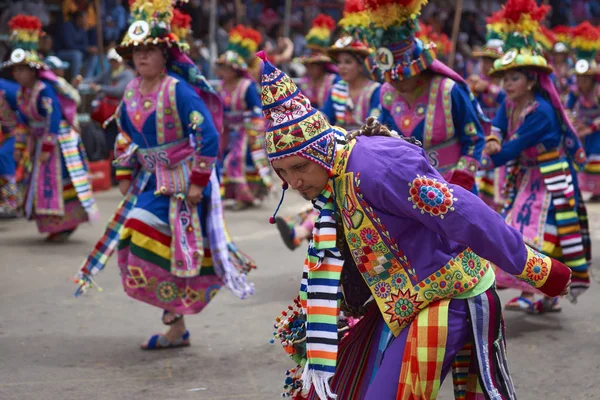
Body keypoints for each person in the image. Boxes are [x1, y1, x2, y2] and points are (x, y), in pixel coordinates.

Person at [257, 52, 576, 400]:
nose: (295, 182)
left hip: (450, 295)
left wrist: (539, 269)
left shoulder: (377, 170)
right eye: (284, 172)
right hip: (400, 305)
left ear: (319, 151)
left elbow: (465, 214)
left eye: (300, 167)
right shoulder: (333, 175)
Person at [74, 3, 254, 349]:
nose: (142, 57)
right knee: (140, 245)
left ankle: (176, 318)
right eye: (136, 51)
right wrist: (124, 170)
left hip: (185, 182)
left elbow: (208, 137)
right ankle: (176, 323)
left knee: (149, 236)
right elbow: (124, 134)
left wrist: (199, 182)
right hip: (152, 179)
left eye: (149, 50)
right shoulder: (130, 92)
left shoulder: (178, 91)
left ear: (164, 54)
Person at [481, 0, 590, 313]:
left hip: (550, 178)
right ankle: (539, 290)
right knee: (519, 228)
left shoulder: (541, 111)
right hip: (527, 175)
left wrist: (487, 155)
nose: (506, 85)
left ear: (530, 80)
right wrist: (491, 139)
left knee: (541, 234)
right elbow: (498, 127)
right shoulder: (511, 102)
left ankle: (545, 292)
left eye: (513, 79)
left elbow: (511, 149)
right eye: (504, 79)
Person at [276, 0, 381, 250]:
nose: (342, 67)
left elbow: (379, 126)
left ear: (362, 64)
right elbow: (323, 120)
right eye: (340, 62)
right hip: (337, 154)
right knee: (328, 197)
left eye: (348, 62)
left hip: (367, 157)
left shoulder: (377, 91)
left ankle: (301, 232)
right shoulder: (337, 89)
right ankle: (302, 233)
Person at [373, 0, 486, 195]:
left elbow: (474, 139)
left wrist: (461, 182)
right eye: (389, 77)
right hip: (406, 191)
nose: (394, 83)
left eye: (401, 76)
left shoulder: (448, 91)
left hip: (455, 188)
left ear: (418, 69)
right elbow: (382, 140)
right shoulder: (387, 93)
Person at [4, 14, 98, 241]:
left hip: (57, 142)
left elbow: (54, 118)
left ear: (33, 71)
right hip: (39, 142)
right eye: (15, 70)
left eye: (22, 70)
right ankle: (53, 224)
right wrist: (19, 145)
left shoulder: (43, 90)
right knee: (41, 182)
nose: (17, 74)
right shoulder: (23, 93)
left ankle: (64, 225)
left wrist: (46, 148)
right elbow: (22, 121)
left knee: (58, 182)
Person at [215, 25, 272, 210]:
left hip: (246, 130)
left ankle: (246, 196)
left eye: (225, 67)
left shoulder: (246, 85)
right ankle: (230, 195)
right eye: (220, 67)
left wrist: (250, 122)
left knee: (238, 157)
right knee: (221, 157)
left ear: (234, 69)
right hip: (227, 131)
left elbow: (257, 107)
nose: (222, 71)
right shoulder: (221, 87)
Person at [467, 19, 507, 208]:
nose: (485, 64)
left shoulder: (505, 82)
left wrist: (490, 89)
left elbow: (508, 102)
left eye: (490, 60)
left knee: (499, 181)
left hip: (502, 135)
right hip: (482, 135)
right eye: (483, 59)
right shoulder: (477, 80)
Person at [565, 21, 600, 201]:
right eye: (578, 78)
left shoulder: (598, 91)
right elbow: (566, 109)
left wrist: (590, 128)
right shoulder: (574, 91)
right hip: (583, 129)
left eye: (584, 78)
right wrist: (573, 123)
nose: (581, 82)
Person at [297, 14, 340, 109]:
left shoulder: (334, 80)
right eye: (308, 65)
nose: (310, 68)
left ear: (322, 65)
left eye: (315, 65)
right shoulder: (304, 82)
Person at [0, 78, 22, 218]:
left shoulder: (6, 88)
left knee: (3, 156)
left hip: (18, 133)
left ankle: (11, 201)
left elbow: (26, 106)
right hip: (5, 134)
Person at [550, 25, 574, 102]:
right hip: (554, 95)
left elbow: (573, 81)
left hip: (568, 94)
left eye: (561, 54)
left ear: (565, 55)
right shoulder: (550, 66)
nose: (559, 56)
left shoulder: (570, 65)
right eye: (556, 54)